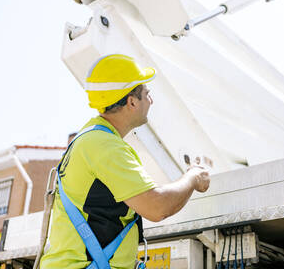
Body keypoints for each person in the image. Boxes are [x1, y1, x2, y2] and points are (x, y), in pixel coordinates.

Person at [40, 54, 210, 269]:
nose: (151, 100)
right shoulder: (104, 145)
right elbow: (157, 207)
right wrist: (193, 177)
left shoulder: (89, 140)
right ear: (131, 101)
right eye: (147, 94)